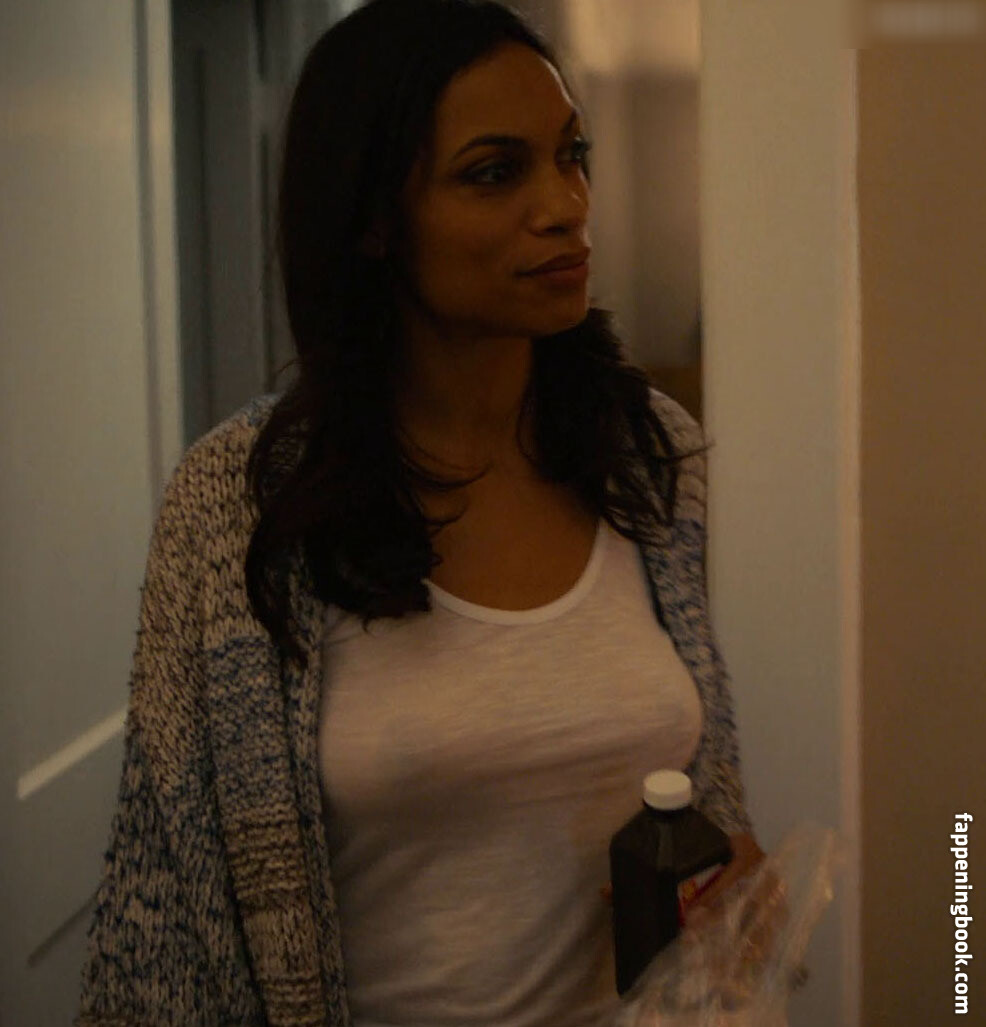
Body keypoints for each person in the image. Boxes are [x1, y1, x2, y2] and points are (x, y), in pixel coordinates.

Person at [76, 1, 763, 1025]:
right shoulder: (235, 503)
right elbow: (163, 920)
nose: (565, 203)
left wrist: (729, 881)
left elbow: (699, 797)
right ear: (373, 220)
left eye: (570, 155)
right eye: (495, 172)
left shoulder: (645, 451)